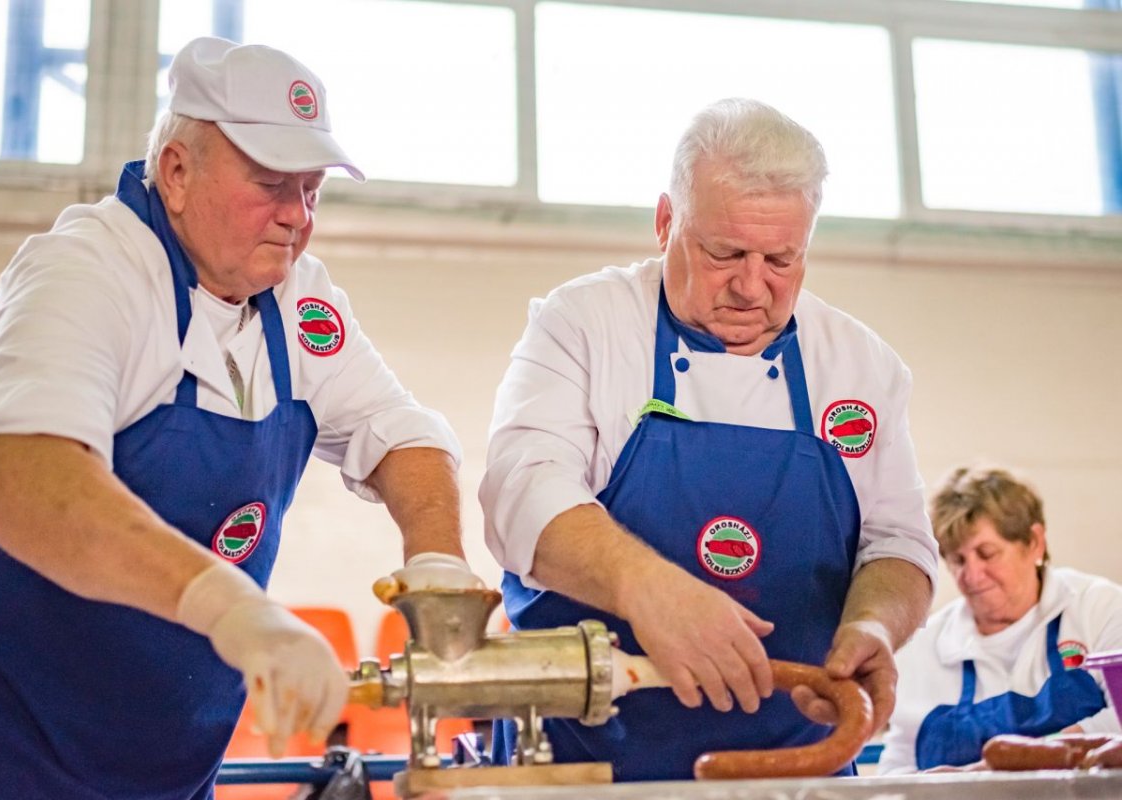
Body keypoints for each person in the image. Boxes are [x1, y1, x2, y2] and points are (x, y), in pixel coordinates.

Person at [0, 37, 482, 799]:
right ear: (177, 172)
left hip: (170, 776)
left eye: (312, 190)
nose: (297, 216)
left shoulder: (299, 303)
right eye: (271, 183)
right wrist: (231, 608)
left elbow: (405, 434)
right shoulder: (85, 270)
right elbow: (28, 482)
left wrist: (439, 571)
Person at [479, 98, 939, 781]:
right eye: (725, 253)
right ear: (666, 223)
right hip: (585, 773)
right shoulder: (584, 324)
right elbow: (520, 494)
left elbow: (899, 544)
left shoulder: (860, 366)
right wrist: (649, 590)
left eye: (782, 259)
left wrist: (872, 628)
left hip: (796, 772)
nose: (753, 287)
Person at [878, 466, 1122, 774]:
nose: (972, 575)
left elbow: (1119, 724)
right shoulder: (923, 647)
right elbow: (899, 765)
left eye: (987, 553)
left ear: (1034, 542)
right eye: (957, 559)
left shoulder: (1100, 609)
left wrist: (994, 770)